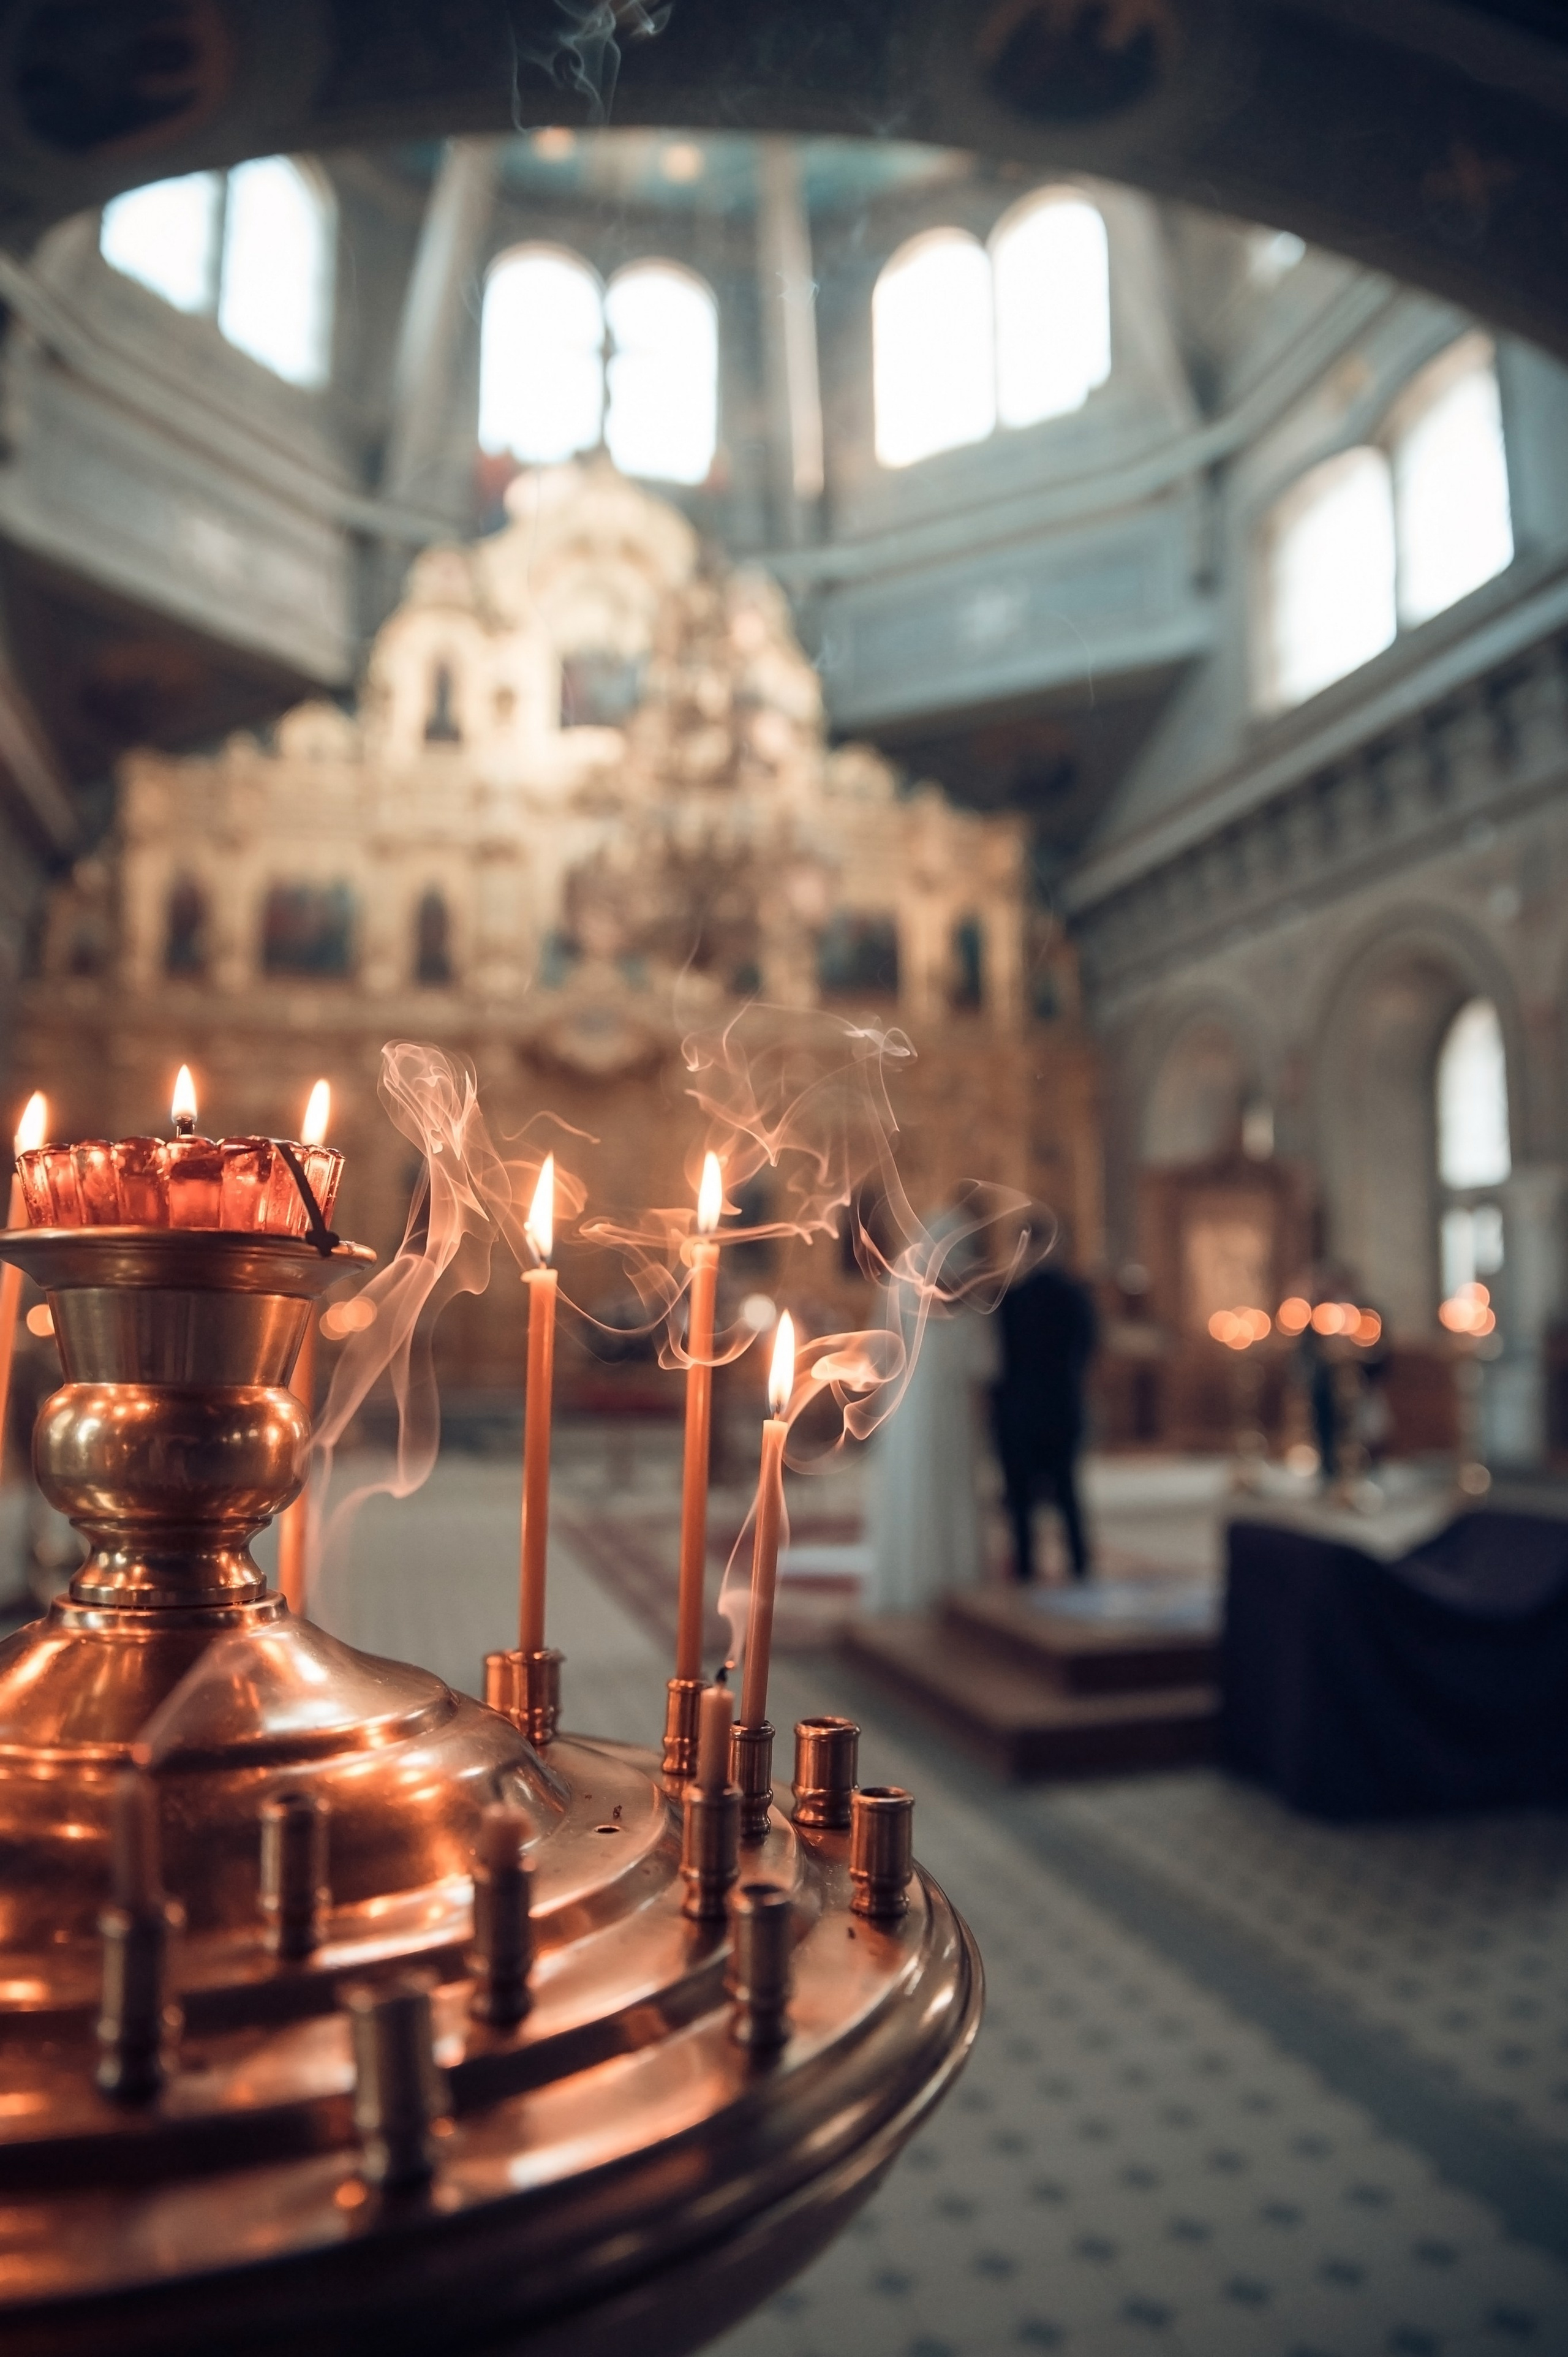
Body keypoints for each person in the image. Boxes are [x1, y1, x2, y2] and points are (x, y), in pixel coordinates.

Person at [863, 1212, 999, 1615]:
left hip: (949, 1418)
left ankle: (954, 1584)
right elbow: (883, 1354)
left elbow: (983, 1373)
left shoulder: (972, 1309)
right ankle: (913, 1585)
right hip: (913, 1413)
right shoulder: (905, 1295)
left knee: (949, 1494)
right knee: (914, 1492)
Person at [992, 1239, 1097, 1582]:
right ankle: (1080, 1567)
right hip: (1063, 1405)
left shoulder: (1012, 1299)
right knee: (1067, 1492)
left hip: (1019, 1411)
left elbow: (998, 1359)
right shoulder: (1075, 1296)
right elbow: (1090, 1345)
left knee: (1021, 1500)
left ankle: (1025, 1569)